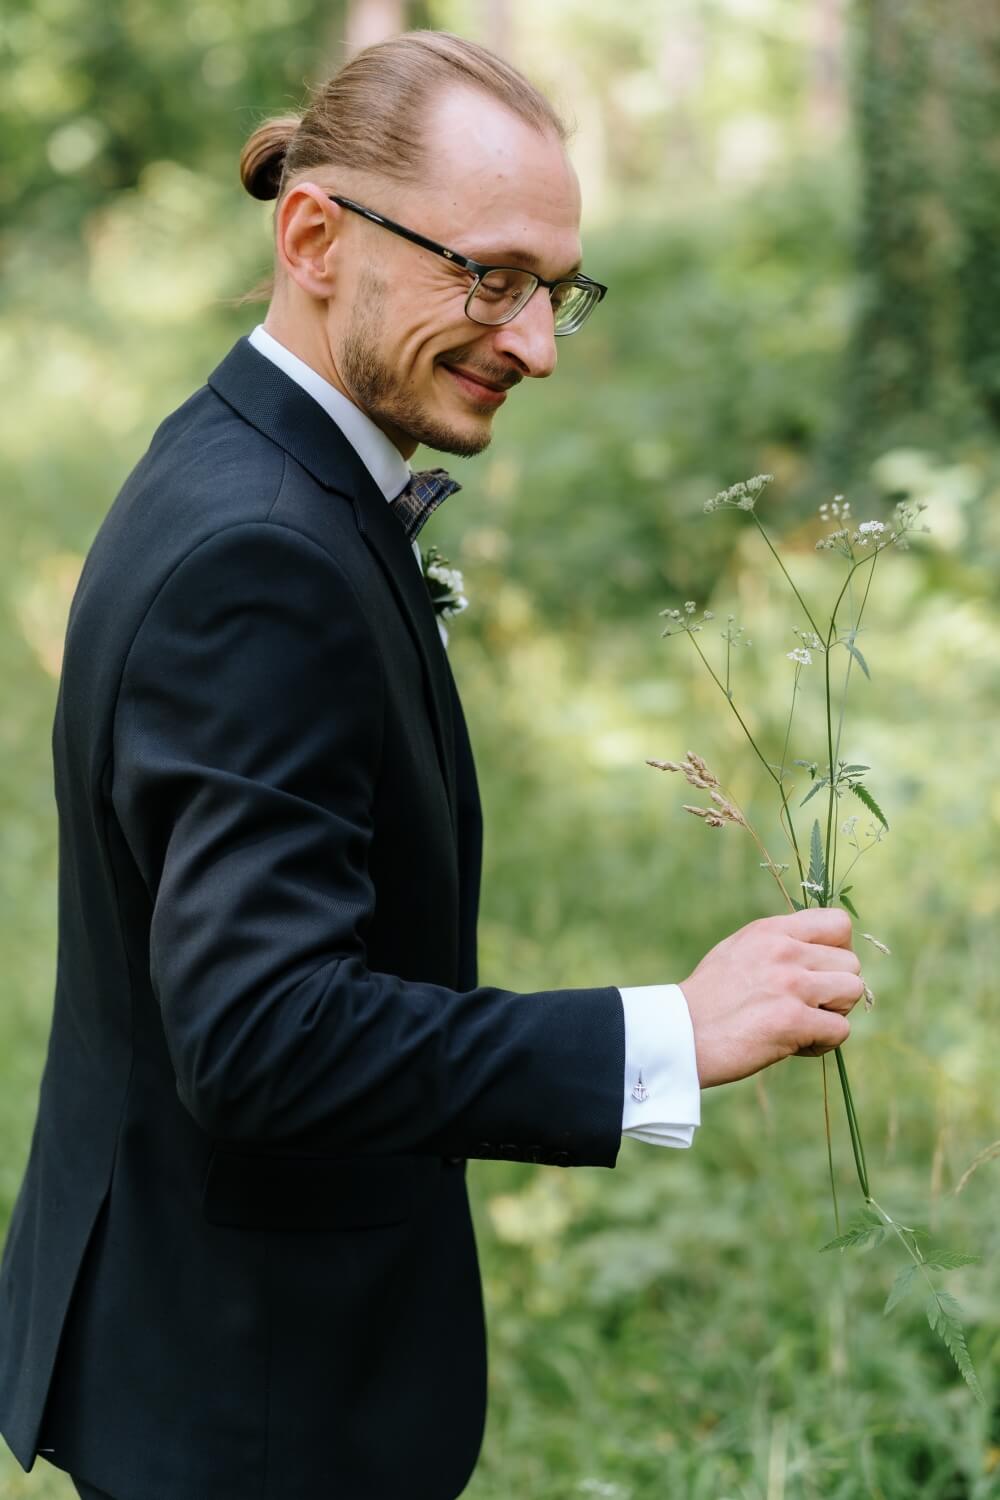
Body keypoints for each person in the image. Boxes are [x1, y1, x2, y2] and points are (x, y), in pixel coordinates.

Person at [0, 30, 864, 1500]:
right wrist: (667, 1033)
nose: (535, 344)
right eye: (491, 276)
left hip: (213, 1339)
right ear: (313, 237)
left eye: (556, 291)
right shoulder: (262, 555)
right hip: (255, 1402)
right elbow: (264, 1033)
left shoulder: (236, 455)